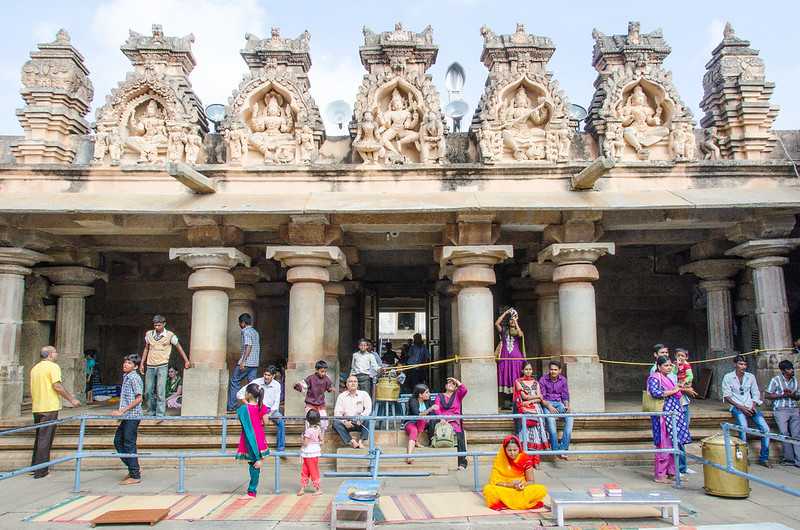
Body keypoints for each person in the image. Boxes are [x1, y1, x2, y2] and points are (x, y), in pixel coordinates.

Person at [30, 346, 80, 479]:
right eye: (55, 352)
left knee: (40, 438)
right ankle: (41, 471)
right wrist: (71, 399)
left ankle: (34, 467)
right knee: (45, 439)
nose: (57, 354)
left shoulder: (35, 368)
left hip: (37, 407)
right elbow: (57, 386)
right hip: (49, 406)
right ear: (51, 354)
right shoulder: (53, 367)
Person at [647, 355, 691, 483]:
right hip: (662, 416)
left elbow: (675, 392)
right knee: (664, 444)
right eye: (665, 366)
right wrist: (674, 390)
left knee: (673, 443)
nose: (668, 368)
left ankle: (671, 472)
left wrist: (678, 388)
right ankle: (660, 475)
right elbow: (656, 393)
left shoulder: (668, 378)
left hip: (672, 415)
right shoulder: (654, 378)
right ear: (659, 367)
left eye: (670, 365)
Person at [722, 355, 772, 467]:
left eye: (745, 364)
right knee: (743, 427)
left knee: (766, 429)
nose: (743, 366)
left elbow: (755, 393)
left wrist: (753, 405)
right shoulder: (728, 377)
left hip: (750, 406)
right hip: (737, 406)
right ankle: (744, 456)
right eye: (740, 364)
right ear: (735, 364)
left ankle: (764, 458)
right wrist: (741, 407)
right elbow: (727, 396)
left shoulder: (750, 377)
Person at [140, 315, 190, 417]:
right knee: (148, 391)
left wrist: (186, 360)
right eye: (155, 325)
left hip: (162, 365)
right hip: (150, 365)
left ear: (164, 324)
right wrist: (142, 363)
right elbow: (146, 348)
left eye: (159, 325)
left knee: (160, 390)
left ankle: (160, 413)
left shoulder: (170, 335)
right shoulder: (149, 334)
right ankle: (150, 411)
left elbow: (179, 347)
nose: (157, 327)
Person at [482, 435, 548, 510]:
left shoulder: (525, 459)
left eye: (515, 450)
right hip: (506, 489)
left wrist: (522, 485)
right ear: (504, 450)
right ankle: (520, 503)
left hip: (521, 489)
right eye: (509, 450)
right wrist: (511, 485)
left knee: (541, 489)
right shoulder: (499, 459)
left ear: (519, 448)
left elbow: (531, 481)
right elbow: (495, 481)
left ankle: (506, 503)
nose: (512, 453)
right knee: (488, 489)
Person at [237, 365, 285, 452]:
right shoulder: (257, 382)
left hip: (271, 410)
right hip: (257, 408)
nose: (266, 377)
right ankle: (253, 447)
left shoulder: (277, 385)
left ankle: (280, 448)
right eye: (265, 374)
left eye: (269, 375)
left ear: (273, 376)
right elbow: (239, 394)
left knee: (281, 420)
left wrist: (267, 414)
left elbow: (276, 403)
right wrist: (249, 405)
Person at [112, 354, 144, 485]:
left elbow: (139, 398)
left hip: (133, 416)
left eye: (129, 363)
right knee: (118, 441)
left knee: (128, 443)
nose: (126, 365)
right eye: (125, 362)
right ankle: (133, 467)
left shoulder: (134, 378)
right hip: (127, 416)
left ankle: (135, 473)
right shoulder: (127, 377)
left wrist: (122, 411)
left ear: (135, 366)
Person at [235, 383, 270, 498]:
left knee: (254, 464)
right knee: (255, 464)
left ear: (249, 394)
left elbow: (242, 421)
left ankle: (251, 492)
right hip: (259, 436)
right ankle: (251, 491)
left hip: (249, 438)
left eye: (246, 392)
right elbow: (266, 422)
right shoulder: (262, 407)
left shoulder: (243, 409)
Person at [765, 360, 799, 467]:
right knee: (784, 434)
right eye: (789, 369)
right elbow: (768, 395)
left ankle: (798, 460)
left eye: (792, 368)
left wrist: (792, 395)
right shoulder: (776, 380)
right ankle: (789, 459)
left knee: (796, 435)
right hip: (781, 410)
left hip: (794, 409)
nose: (792, 370)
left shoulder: (795, 380)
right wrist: (783, 394)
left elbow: (798, 396)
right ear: (783, 371)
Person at [513, 362, 549, 453]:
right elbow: (524, 397)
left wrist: (531, 401)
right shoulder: (518, 382)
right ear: (522, 370)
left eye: (530, 369)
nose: (528, 371)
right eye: (526, 369)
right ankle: (527, 454)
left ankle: (536, 457)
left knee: (538, 429)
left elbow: (540, 397)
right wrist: (536, 398)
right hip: (526, 409)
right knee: (527, 430)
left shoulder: (535, 382)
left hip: (536, 408)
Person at [538, 360, 572, 459]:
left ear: (560, 371)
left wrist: (567, 406)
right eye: (551, 369)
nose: (553, 371)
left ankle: (563, 449)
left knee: (570, 418)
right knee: (551, 420)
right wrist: (549, 406)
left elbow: (565, 395)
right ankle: (556, 449)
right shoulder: (543, 380)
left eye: (555, 370)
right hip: (547, 404)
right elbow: (541, 398)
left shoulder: (563, 380)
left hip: (559, 404)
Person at [227, 313, 260, 413]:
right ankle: (254, 405)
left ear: (243, 323)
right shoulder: (255, 332)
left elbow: (248, 346)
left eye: (240, 323)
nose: (239, 325)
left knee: (234, 381)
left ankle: (232, 406)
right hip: (254, 363)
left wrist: (243, 361)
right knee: (253, 384)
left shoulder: (245, 331)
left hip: (247, 362)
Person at [434, 376, 469, 470]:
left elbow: (464, 389)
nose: (451, 384)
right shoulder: (439, 396)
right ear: (445, 385)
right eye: (449, 382)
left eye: (453, 384)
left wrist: (456, 381)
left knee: (459, 437)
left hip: (454, 422)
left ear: (456, 387)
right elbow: (437, 409)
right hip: (443, 421)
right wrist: (441, 418)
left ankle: (462, 463)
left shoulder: (458, 395)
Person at [673, 348, 698, 474]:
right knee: (677, 435)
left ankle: (682, 467)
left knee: (682, 435)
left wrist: (685, 384)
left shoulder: (687, 366)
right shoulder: (672, 367)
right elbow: (672, 383)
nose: (680, 358)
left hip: (683, 402)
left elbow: (690, 376)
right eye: (678, 356)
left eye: (683, 356)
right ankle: (678, 467)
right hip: (675, 404)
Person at [496, 307, 525, 407]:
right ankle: (505, 402)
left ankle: (515, 401)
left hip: (516, 359)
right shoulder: (504, 330)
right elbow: (497, 323)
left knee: (515, 377)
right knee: (504, 377)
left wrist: (516, 322)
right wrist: (506, 313)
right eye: (511, 320)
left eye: (514, 320)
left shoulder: (518, 331)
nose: (512, 321)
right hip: (505, 358)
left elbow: (520, 334)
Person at [333, 375, 372, 449]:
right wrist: (344, 422)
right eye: (350, 381)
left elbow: (368, 409)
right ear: (347, 384)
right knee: (335, 423)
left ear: (357, 384)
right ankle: (352, 441)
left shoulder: (364, 394)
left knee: (368, 419)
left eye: (355, 381)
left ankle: (361, 441)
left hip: (360, 421)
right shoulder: (342, 396)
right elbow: (337, 413)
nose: (353, 383)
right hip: (347, 422)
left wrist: (361, 417)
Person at [295, 360, 334, 431]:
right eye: (322, 371)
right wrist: (298, 386)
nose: (324, 373)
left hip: (321, 404)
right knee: (309, 421)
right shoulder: (310, 378)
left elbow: (329, 388)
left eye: (325, 371)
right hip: (310, 404)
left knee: (324, 421)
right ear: (316, 370)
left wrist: (331, 389)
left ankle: (321, 437)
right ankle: (308, 436)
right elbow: (303, 385)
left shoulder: (326, 379)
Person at [405, 383, 437, 464]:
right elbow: (417, 415)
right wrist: (429, 409)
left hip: (422, 423)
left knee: (423, 419)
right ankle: (409, 456)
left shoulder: (428, 401)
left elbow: (432, 413)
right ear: (420, 394)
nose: (429, 394)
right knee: (413, 431)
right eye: (426, 392)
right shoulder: (413, 401)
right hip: (411, 422)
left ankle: (417, 441)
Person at [298, 409, 323, 496]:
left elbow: (305, 443)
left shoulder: (308, 431)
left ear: (307, 419)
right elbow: (321, 439)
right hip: (314, 451)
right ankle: (302, 488)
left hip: (308, 452)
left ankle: (318, 488)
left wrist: (302, 439)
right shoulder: (318, 428)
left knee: (308, 470)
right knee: (310, 470)